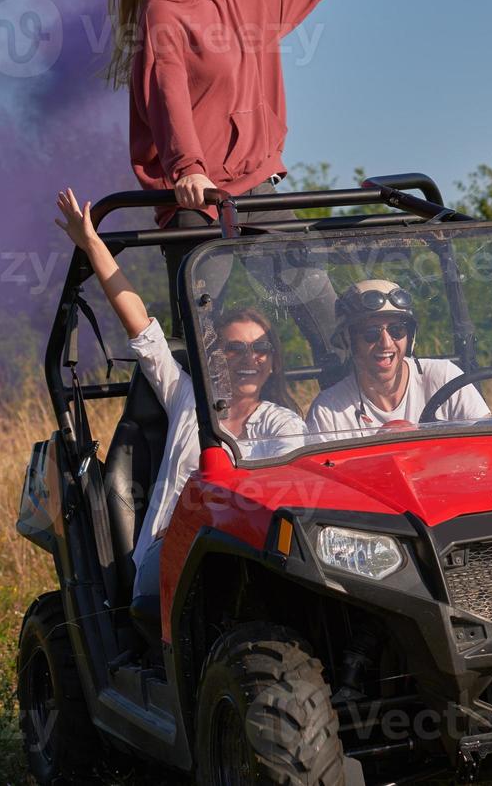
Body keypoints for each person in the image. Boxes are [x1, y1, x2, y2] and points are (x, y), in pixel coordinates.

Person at [101, 0, 382, 347]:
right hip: (199, 198)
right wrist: (187, 167)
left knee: (328, 317)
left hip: (257, 186)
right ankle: (154, 419)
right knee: (198, 336)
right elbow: (167, 94)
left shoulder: (238, 4)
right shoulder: (162, 14)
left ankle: (350, 414)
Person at [54, 187, 304, 608]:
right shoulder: (186, 396)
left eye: (259, 349)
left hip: (248, 555)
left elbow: (288, 500)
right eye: (234, 348)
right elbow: (139, 324)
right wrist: (93, 243)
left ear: (272, 362)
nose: (248, 358)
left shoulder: (284, 425)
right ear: (212, 358)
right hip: (169, 552)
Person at [306, 280, 491, 442]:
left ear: (410, 337)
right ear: (348, 340)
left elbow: (489, 444)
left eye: (397, 330)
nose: (386, 343)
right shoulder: (328, 411)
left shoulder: (446, 379)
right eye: (371, 333)